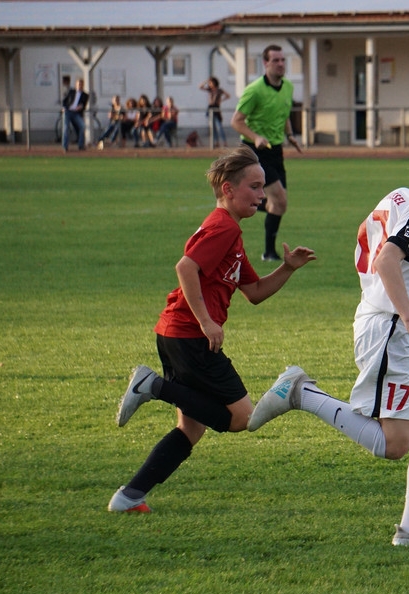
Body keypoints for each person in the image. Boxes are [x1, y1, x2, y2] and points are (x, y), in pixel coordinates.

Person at [247, 122, 409, 546]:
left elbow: (386, 266)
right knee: (394, 444)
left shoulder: (401, 197)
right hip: (390, 331)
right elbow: (386, 262)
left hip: (390, 323)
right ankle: (301, 393)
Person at [108, 146, 317, 513]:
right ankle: (153, 386)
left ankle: (129, 496)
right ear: (228, 189)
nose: (262, 195)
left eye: (263, 186)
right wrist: (207, 321)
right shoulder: (223, 227)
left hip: (176, 333)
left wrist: (287, 268)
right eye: (254, 187)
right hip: (190, 335)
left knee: (191, 429)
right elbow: (185, 267)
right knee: (241, 417)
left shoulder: (231, 232)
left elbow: (254, 292)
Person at [231, 44, 303, 262]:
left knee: (280, 204)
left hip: (276, 150)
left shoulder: (288, 87)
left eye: (283, 60)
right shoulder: (254, 90)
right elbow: (236, 121)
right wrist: (256, 137)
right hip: (255, 151)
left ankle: (268, 251)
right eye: (275, 60)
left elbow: (284, 113)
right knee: (278, 199)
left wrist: (290, 134)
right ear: (265, 63)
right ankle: (269, 252)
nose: (280, 64)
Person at [200, 77, 231, 147]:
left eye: (210, 82)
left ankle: (224, 142)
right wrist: (206, 81)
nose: (209, 84)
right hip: (210, 108)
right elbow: (200, 87)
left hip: (216, 108)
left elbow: (228, 95)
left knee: (219, 126)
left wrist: (221, 100)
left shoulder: (219, 90)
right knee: (213, 127)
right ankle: (216, 142)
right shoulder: (210, 90)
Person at [61, 78, 88, 151]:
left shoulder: (85, 95)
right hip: (68, 111)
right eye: (78, 84)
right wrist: (64, 108)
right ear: (76, 85)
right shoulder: (71, 92)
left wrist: (81, 107)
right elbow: (64, 101)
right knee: (66, 128)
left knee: (82, 126)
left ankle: (81, 145)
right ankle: (65, 146)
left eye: (81, 85)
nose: (80, 86)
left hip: (76, 113)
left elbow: (84, 106)